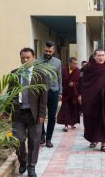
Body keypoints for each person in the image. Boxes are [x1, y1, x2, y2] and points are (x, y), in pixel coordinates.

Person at [9, 48, 48, 177]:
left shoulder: (40, 74)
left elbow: (43, 96)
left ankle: (31, 167)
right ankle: (23, 161)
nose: (25, 60)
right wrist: (6, 112)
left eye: (28, 58)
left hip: (34, 114)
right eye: (23, 58)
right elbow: (10, 95)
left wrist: (42, 114)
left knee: (34, 141)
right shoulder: (14, 74)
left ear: (33, 58)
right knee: (18, 140)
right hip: (18, 113)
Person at [80, 49, 105, 152]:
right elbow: (82, 83)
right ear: (94, 56)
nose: (101, 57)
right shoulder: (87, 69)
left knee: (104, 120)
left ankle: (103, 143)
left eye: (103, 55)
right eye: (99, 55)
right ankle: (94, 139)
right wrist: (80, 95)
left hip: (104, 100)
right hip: (90, 99)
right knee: (90, 120)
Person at [38, 41, 62, 148]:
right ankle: (42, 135)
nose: (48, 53)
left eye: (50, 51)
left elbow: (59, 77)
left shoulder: (58, 62)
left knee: (52, 116)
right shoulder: (37, 61)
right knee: (40, 115)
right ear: (44, 50)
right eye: (46, 51)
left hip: (54, 91)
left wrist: (60, 91)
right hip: (41, 91)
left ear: (53, 51)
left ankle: (48, 139)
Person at [57, 57, 80, 132]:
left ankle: (72, 123)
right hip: (65, 93)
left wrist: (74, 84)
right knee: (65, 109)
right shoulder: (63, 70)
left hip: (74, 94)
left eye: (76, 63)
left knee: (74, 109)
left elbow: (80, 82)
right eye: (73, 63)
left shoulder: (78, 71)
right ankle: (66, 125)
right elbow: (60, 81)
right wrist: (59, 92)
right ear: (69, 63)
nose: (75, 65)